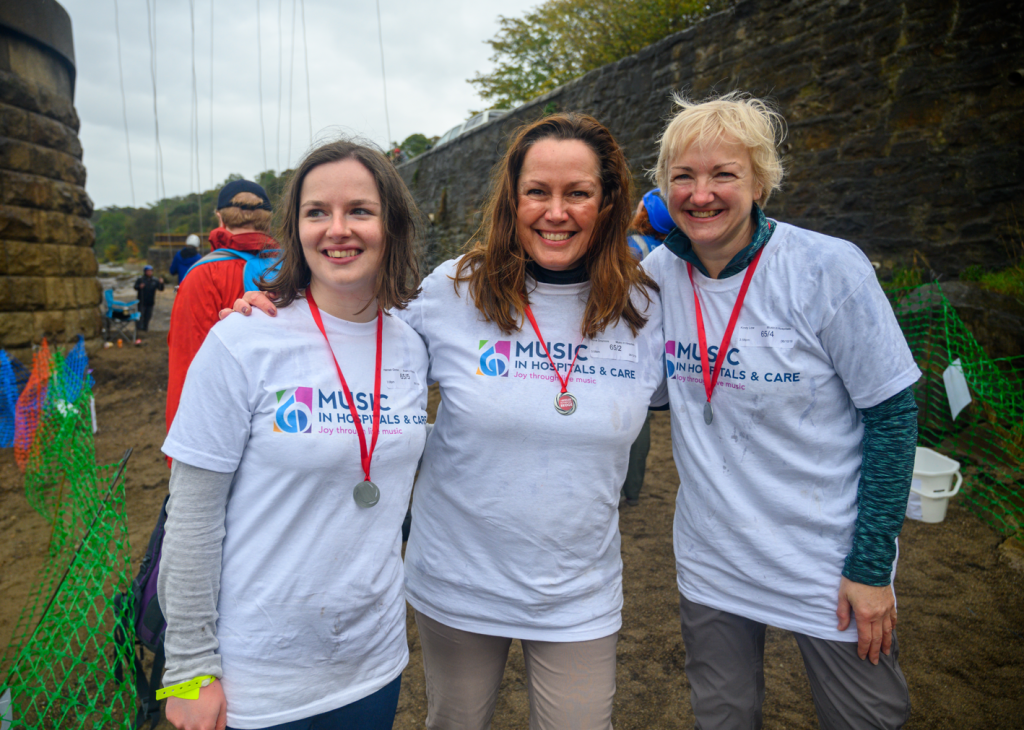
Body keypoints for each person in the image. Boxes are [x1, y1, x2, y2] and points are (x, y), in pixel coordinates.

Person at [232, 113, 665, 730]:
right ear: (511, 201)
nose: (556, 212)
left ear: (609, 200)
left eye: (579, 194)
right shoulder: (455, 291)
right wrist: (282, 311)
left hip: (578, 593)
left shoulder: (645, 307)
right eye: (537, 192)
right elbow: (359, 333)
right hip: (458, 584)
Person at [643, 92, 920, 729]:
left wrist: (871, 567)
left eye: (724, 174)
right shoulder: (656, 278)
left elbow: (893, 415)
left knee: (868, 720)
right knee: (723, 718)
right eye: (683, 176)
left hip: (827, 564)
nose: (701, 194)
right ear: (664, 187)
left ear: (761, 181)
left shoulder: (826, 268)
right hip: (714, 560)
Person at [158, 140, 427, 730]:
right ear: (295, 229)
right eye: (316, 213)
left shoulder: (411, 343)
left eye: (360, 210)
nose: (338, 230)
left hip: (373, 664)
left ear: (392, 224)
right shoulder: (243, 340)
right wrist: (189, 669)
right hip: (260, 680)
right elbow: (193, 516)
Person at [165, 179, 280, 433]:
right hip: (286, 419)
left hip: (225, 424)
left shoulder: (203, 274)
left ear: (220, 218)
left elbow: (189, 361)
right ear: (268, 220)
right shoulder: (297, 266)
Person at [621, 188, 674, 506]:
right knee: (644, 418)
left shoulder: (632, 247)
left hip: (629, 338)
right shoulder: (677, 248)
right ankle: (634, 489)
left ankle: (618, 487)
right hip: (662, 341)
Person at [133, 264, 164, 333]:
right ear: (145, 272)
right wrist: (139, 286)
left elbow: (161, 289)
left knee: (148, 316)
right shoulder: (140, 279)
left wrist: (161, 283)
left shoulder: (155, 280)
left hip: (150, 301)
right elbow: (135, 287)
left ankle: (145, 328)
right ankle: (138, 328)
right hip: (142, 301)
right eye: (148, 271)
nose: (149, 272)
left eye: (150, 271)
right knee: (140, 315)